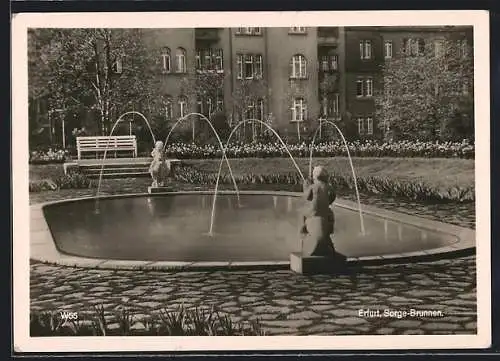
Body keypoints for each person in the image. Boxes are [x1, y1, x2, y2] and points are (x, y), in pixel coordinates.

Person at [300, 165, 337, 257]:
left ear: (314, 177)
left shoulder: (313, 187)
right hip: (325, 213)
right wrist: (328, 202)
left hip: (314, 212)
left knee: (304, 215)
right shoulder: (329, 186)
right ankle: (329, 233)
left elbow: (307, 197)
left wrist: (305, 187)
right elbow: (333, 196)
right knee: (330, 215)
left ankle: (304, 231)